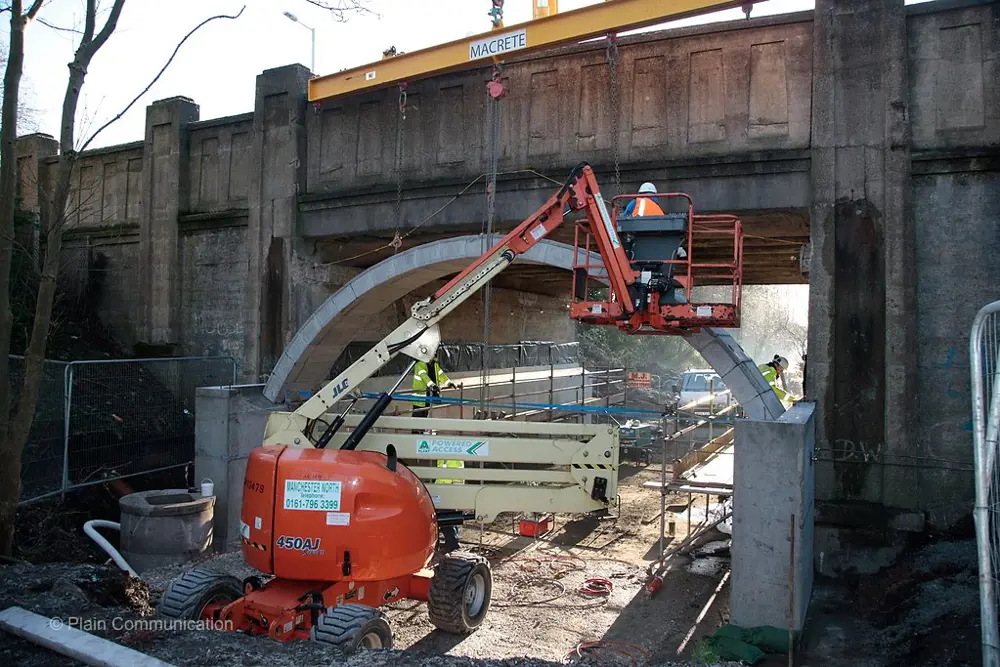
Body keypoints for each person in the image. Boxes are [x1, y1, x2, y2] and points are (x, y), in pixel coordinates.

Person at [411, 355, 462, 552]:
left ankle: (448, 543)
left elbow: (440, 375)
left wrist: (448, 383)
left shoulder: (434, 365)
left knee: (444, 517)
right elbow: (424, 377)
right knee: (418, 422)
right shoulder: (421, 365)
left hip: (444, 489)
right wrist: (432, 384)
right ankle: (448, 543)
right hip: (421, 397)